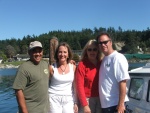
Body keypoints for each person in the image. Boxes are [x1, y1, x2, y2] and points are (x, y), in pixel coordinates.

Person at [96, 32, 130, 113]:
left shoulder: (118, 58)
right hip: (106, 105)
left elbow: (122, 82)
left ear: (110, 42)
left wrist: (121, 104)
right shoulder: (104, 59)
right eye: (100, 43)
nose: (103, 45)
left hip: (115, 104)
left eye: (105, 42)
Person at [13, 41, 50, 113]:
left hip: (45, 110)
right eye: (34, 51)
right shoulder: (24, 68)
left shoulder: (45, 64)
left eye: (40, 51)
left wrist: (69, 61)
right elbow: (18, 91)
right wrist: (24, 111)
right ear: (29, 52)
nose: (38, 54)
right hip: (31, 110)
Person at [48, 42, 78, 113]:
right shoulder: (51, 68)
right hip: (53, 99)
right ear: (57, 54)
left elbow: (75, 86)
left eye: (65, 52)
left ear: (68, 54)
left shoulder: (73, 67)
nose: (62, 54)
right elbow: (45, 84)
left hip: (68, 99)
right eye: (60, 52)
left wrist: (76, 102)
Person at [75, 39, 103, 113]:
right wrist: (85, 105)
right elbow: (79, 86)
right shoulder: (82, 65)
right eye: (89, 50)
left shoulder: (102, 63)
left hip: (101, 99)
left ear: (98, 51)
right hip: (86, 99)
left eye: (94, 49)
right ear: (86, 51)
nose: (92, 52)